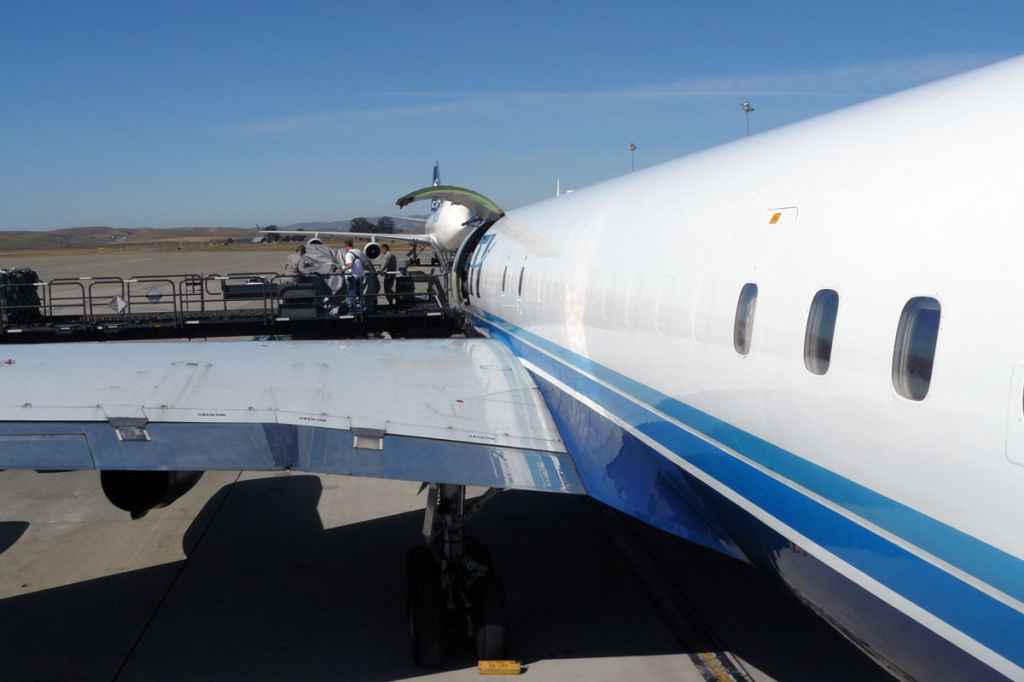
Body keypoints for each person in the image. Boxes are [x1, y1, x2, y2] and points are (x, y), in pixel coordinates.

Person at [342, 239, 364, 313]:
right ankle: (361, 308)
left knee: (351, 293)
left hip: (353, 276)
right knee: (360, 293)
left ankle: (352, 310)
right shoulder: (359, 251)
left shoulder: (349, 254)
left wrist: (342, 270)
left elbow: (350, 265)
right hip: (360, 276)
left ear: (346, 246)